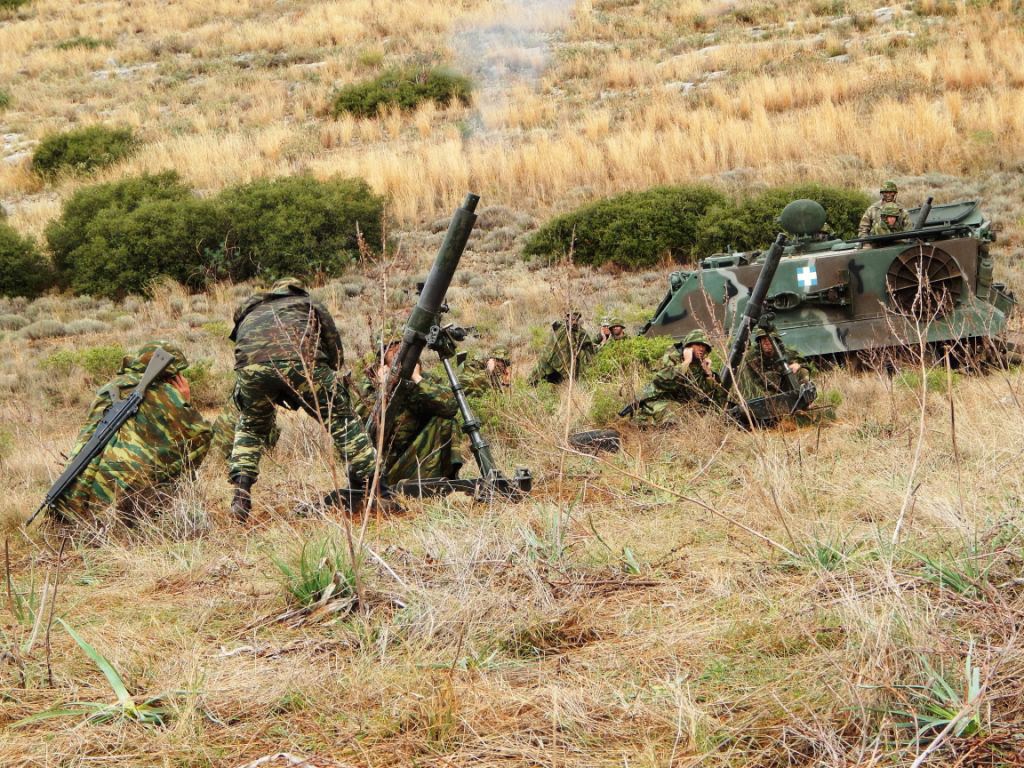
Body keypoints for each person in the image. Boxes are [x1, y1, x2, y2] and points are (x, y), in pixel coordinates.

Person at [227, 277, 377, 521]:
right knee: (341, 419)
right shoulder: (309, 303)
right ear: (297, 289)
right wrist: (323, 379)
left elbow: (242, 343)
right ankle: (378, 488)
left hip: (251, 367)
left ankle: (241, 492)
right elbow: (334, 348)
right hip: (303, 361)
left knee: (251, 427)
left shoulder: (253, 307)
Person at [51, 342, 212, 523]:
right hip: (124, 502)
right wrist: (184, 402)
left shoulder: (108, 389)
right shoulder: (165, 393)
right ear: (171, 373)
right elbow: (200, 436)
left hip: (73, 494)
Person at [352, 335, 463, 485]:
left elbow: (451, 406)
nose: (400, 357)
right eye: (393, 352)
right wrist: (383, 390)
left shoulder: (424, 380)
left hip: (415, 461)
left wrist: (417, 379)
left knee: (446, 421)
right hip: (382, 468)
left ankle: (442, 481)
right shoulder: (369, 385)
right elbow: (359, 428)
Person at [630, 329, 725, 426]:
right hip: (660, 400)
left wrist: (708, 374)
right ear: (688, 346)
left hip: (684, 405)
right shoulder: (672, 358)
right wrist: (686, 363)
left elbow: (715, 397)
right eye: (698, 345)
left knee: (712, 416)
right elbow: (662, 382)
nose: (701, 349)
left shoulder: (700, 366)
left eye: (704, 346)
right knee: (672, 413)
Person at [733, 327, 811, 403]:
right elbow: (749, 380)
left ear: (776, 341)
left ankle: (805, 401)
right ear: (759, 342)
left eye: (769, 339)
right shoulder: (751, 357)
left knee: (803, 371)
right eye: (763, 339)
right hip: (764, 391)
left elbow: (805, 364)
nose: (767, 342)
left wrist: (798, 365)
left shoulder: (786, 353)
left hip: (785, 388)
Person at [528, 311, 596, 385]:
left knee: (563, 381)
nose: (574, 322)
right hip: (549, 357)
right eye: (572, 319)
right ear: (568, 318)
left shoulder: (581, 333)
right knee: (537, 376)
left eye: (576, 320)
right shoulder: (560, 327)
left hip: (565, 363)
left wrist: (591, 363)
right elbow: (555, 325)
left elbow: (589, 348)